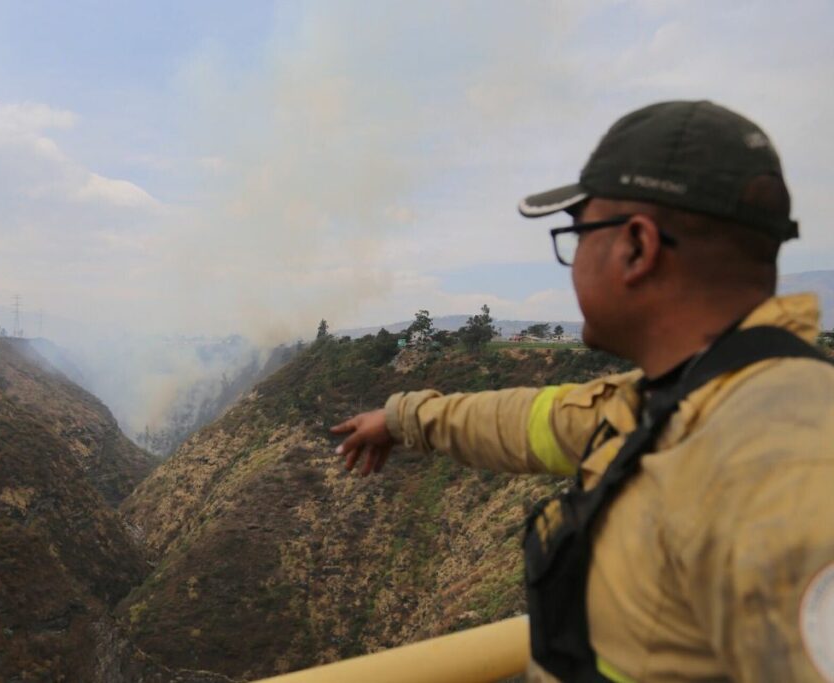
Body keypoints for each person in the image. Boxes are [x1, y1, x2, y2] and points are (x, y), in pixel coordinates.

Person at [331, 101, 834, 682]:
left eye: (577, 233)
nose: (569, 265)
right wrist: (400, 418)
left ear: (637, 248)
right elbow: (530, 420)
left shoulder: (782, 460)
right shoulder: (681, 399)